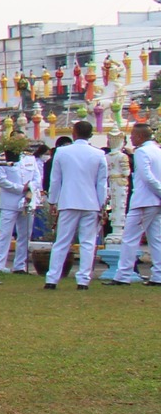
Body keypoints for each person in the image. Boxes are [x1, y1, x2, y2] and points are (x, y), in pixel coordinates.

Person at [44, 121, 107, 290]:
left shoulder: (62, 152)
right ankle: (83, 280)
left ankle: (52, 278)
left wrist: (52, 200)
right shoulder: (98, 154)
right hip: (91, 202)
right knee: (87, 243)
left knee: (62, 241)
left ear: (74, 133)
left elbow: (55, 179)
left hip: (68, 201)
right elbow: (101, 184)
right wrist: (101, 205)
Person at [108, 122, 159, 285]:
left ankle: (123, 275)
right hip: (155, 201)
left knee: (129, 238)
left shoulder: (142, 152)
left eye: (132, 136)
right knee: (156, 239)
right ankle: (158, 275)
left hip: (145, 200)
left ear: (139, 136)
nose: (131, 139)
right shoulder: (157, 150)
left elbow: (147, 177)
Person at [0, 144, 30, 275]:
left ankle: (20, 265)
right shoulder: (2, 160)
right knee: (5, 234)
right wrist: (20, 188)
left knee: (24, 234)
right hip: (9, 202)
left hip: (27, 200)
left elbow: (36, 177)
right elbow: (1, 181)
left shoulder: (28, 159)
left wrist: (30, 189)